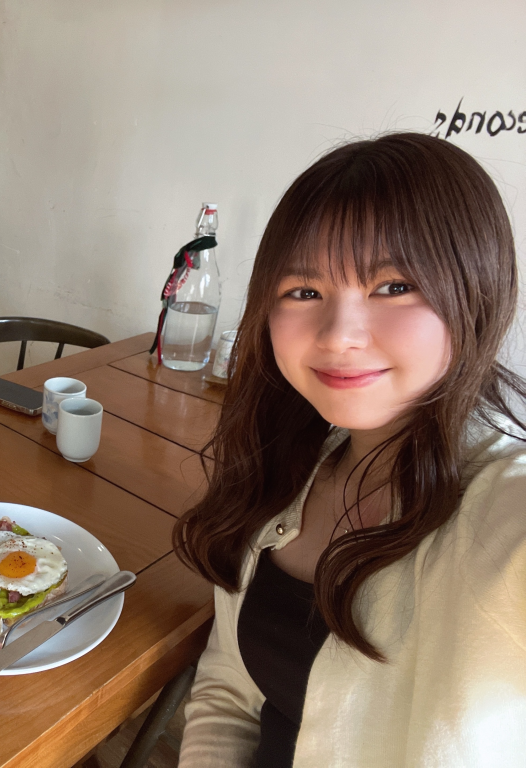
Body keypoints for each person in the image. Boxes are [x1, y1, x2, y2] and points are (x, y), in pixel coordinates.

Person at [174, 133, 526, 767]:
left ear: (477, 290)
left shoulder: (503, 511)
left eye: (394, 286)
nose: (339, 336)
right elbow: (229, 689)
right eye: (304, 291)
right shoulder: (288, 464)